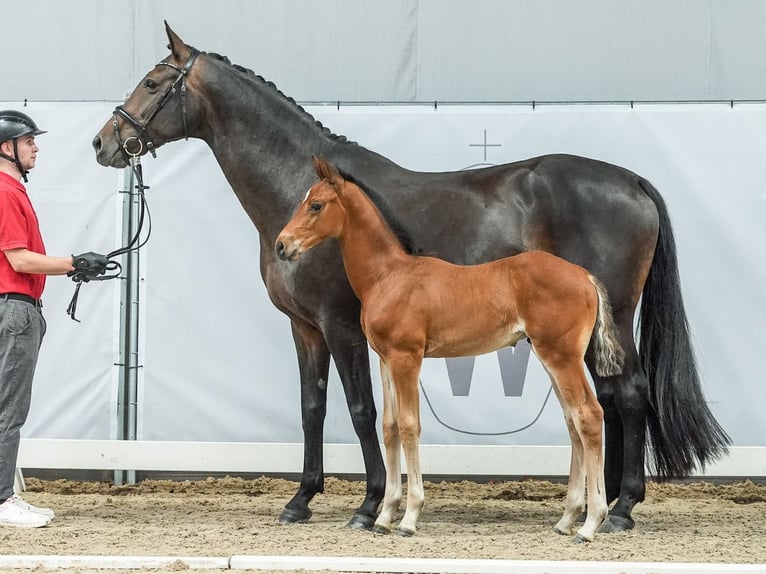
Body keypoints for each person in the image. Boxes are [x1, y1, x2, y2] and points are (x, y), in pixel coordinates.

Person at [0, 110, 109, 528]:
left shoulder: (12, 191)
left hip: (16, 307)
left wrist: (73, 266)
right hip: (15, 311)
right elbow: (20, 259)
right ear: (7, 148)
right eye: (29, 141)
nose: (36, 147)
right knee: (10, 409)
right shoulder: (7, 192)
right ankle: (3, 500)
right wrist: (73, 261)